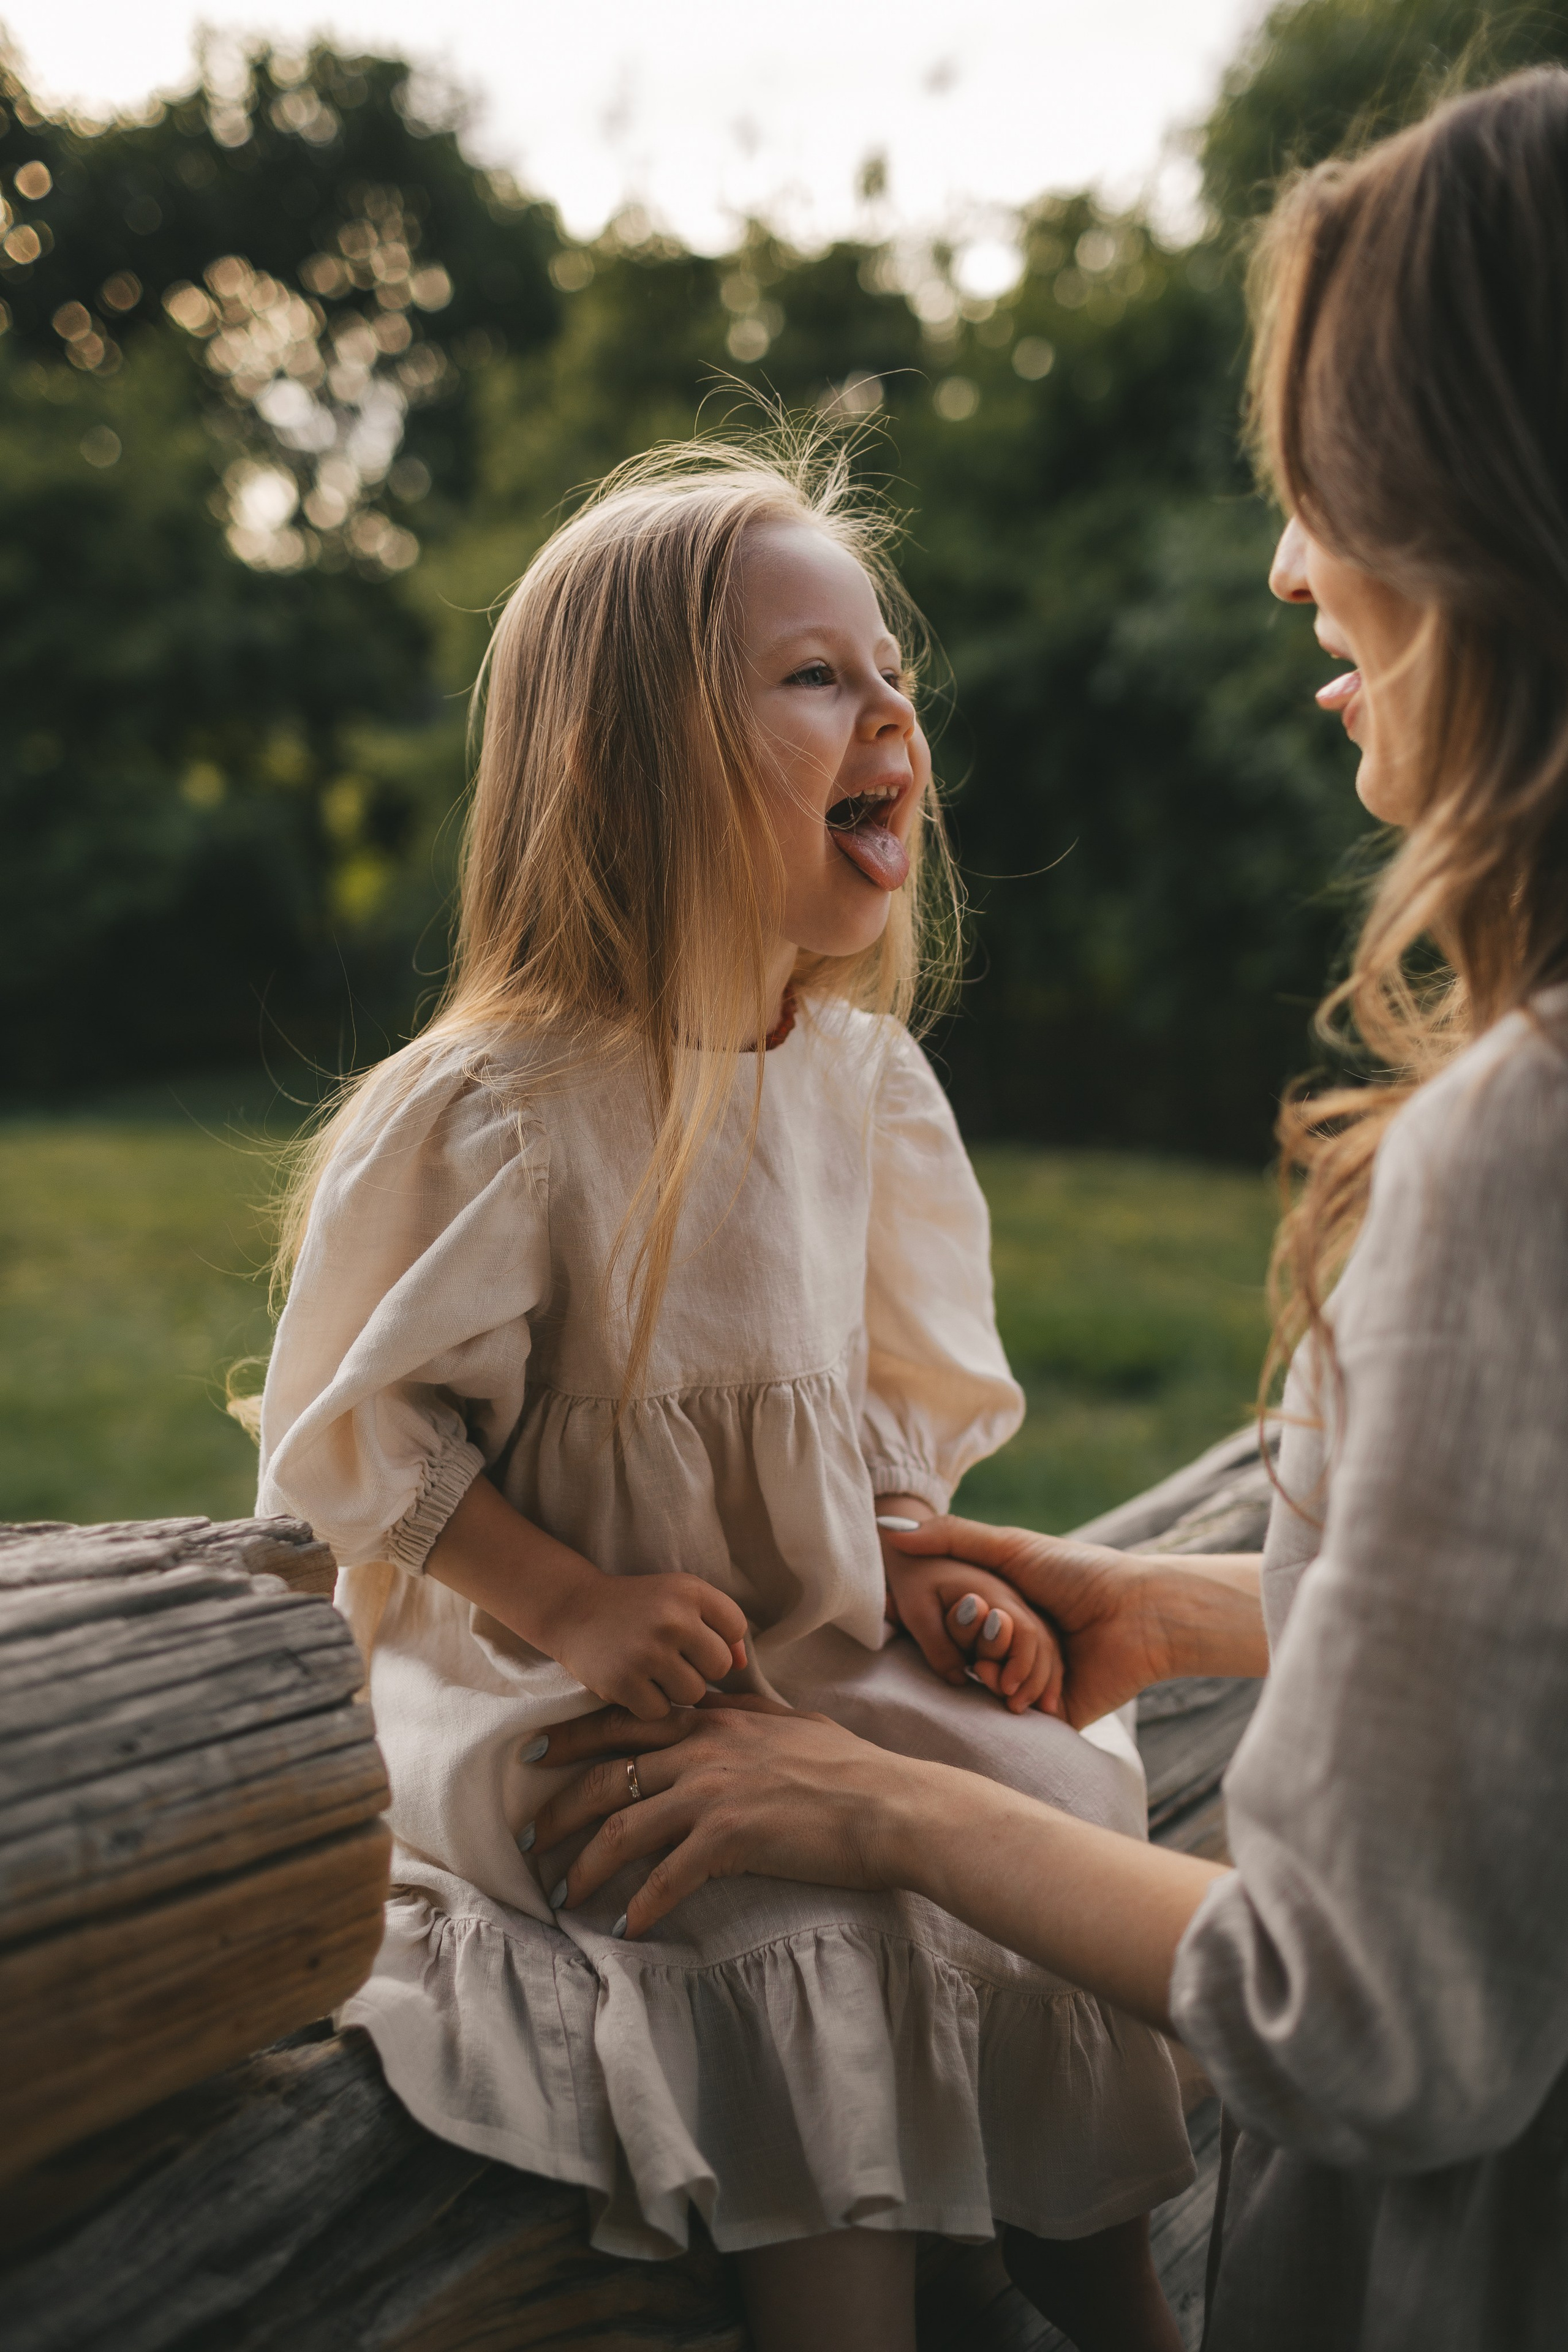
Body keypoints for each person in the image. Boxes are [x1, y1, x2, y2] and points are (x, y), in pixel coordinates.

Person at [526, 70, 1568, 2350]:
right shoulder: (512, 1123)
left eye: (1329, 485)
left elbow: (1372, 2023)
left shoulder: (1525, 1150)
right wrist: (1173, 1610)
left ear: (1490, 519)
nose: (1293, 560)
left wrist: (876, 1812)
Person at [255, 440, 1196, 2352]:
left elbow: (865, 1418)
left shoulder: (859, 1086)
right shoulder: (501, 1111)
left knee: (1042, 1802)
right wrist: (575, 1602)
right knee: (785, 1925)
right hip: (574, 1698)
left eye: (888, 669)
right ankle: (841, 2310)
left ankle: (1113, 2296)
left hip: (814, 1648)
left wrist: (922, 1561)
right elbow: (370, 1447)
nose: (891, 709)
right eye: (815, 675)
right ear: (637, 760)